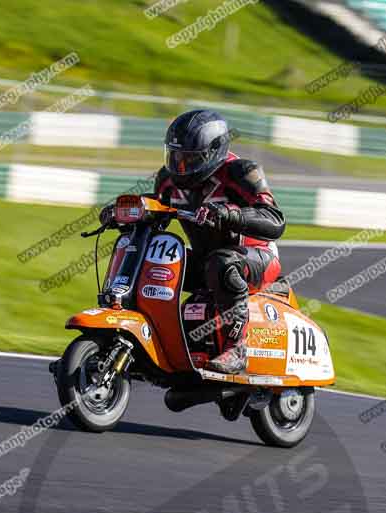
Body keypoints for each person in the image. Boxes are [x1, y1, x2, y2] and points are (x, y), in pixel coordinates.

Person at [101, 110, 286, 374]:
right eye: (175, 157)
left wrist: (231, 215)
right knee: (152, 260)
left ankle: (237, 348)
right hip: (205, 259)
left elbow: (275, 220)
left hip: (256, 257)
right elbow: (157, 210)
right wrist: (122, 213)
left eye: (189, 159)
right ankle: (144, 335)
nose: (180, 167)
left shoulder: (241, 172)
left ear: (213, 152)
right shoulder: (167, 179)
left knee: (221, 263)